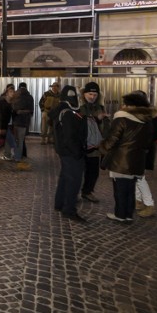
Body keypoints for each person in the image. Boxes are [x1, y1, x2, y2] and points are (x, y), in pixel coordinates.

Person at [99, 92, 154, 222]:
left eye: (125, 104)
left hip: (121, 161)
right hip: (137, 161)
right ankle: (128, 215)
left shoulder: (121, 119)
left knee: (120, 190)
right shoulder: (147, 121)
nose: (122, 106)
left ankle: (120, 215)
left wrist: (102, 147)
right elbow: (148, 142)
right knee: (130, 189)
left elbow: (112, 139)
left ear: (130, 106)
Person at [51, 85, 88, 223]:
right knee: (74, 180)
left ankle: (60, 204)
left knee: (65, 178)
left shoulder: (62, 110)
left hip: (65, 151)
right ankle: (69, 209)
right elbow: (70, 136)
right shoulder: (68, 113)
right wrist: (78, 152)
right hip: (71, 152)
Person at [78, 82, 108, 203]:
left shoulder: (100, 107)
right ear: (84, 94)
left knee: (93, 172)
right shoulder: (79, 107)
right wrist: (96, 118)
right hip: (82, 145)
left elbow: (104, 126)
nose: (92, 97)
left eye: (95, 94)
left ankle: (87, 191)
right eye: (90, 94)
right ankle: (75, 192)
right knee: (78, 171)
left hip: (95, 147)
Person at [133, 90, 157, 218]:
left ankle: (149, 204)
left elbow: (153, 134)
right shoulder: (148, 114)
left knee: (139, 177)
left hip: (143, 150)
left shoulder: (147, 116)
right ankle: (138, 201)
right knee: (137, 176)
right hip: (142, 150)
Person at [11, 83, 34, 171]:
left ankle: (18, 156)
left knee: (17, 139)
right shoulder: (30, 97)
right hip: (25, 121)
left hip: (15, 121)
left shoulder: (15, 96)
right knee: (21, 139)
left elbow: (13, 109)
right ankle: (21, 154)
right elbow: (31, 111)